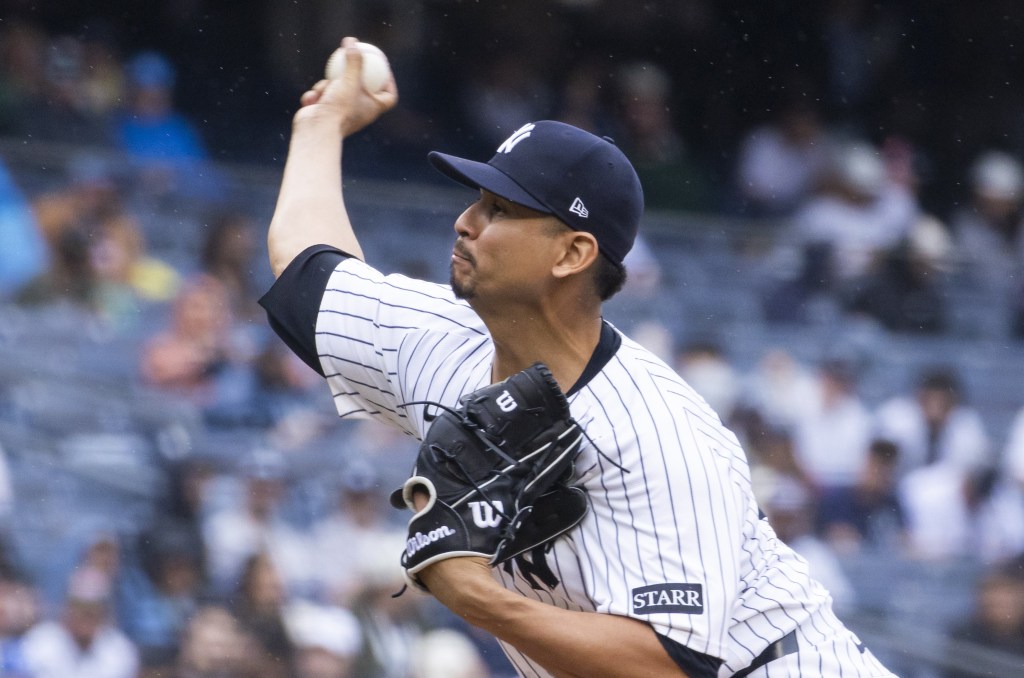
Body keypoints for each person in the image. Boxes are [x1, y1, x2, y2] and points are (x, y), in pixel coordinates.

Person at [260, 37, 896, 677]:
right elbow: (310, 275)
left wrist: (475, 596)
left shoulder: (657, 430)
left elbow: (669, 668)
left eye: (498, 209)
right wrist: (322, 123)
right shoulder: (442, 341)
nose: (465, 221)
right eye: (476, 200)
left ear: (572, 254)